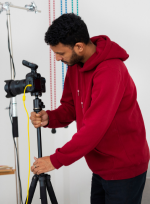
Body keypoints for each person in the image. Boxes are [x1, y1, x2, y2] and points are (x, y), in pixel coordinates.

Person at [30, 13, 149, 204]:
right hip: (100, 166)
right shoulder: (75, 65)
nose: (57, 59)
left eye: (60, 53)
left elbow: (94, 128)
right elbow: (70, 107)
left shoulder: (110, 70)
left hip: (124, 167)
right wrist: (49, 118)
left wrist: (55, 160)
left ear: (79, 46)